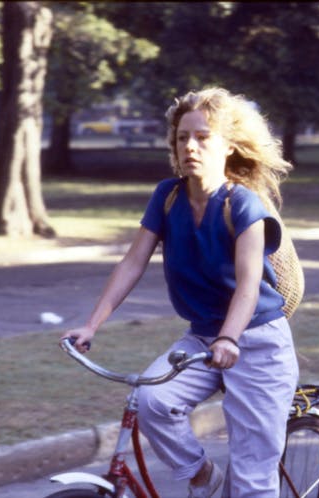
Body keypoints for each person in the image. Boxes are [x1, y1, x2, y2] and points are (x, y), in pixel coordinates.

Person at [61, 87, 299, 497]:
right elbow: (132, 262)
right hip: (203, 338)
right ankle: (204, 479)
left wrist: (230, 337)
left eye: (203, 137)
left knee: (253, 482)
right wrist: (91, 325)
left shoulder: (244, 205)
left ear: (228, 147)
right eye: (182, 137)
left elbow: (247, 284)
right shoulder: (168, 196)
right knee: (152, 401)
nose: (190, 146)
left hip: (257, 343)